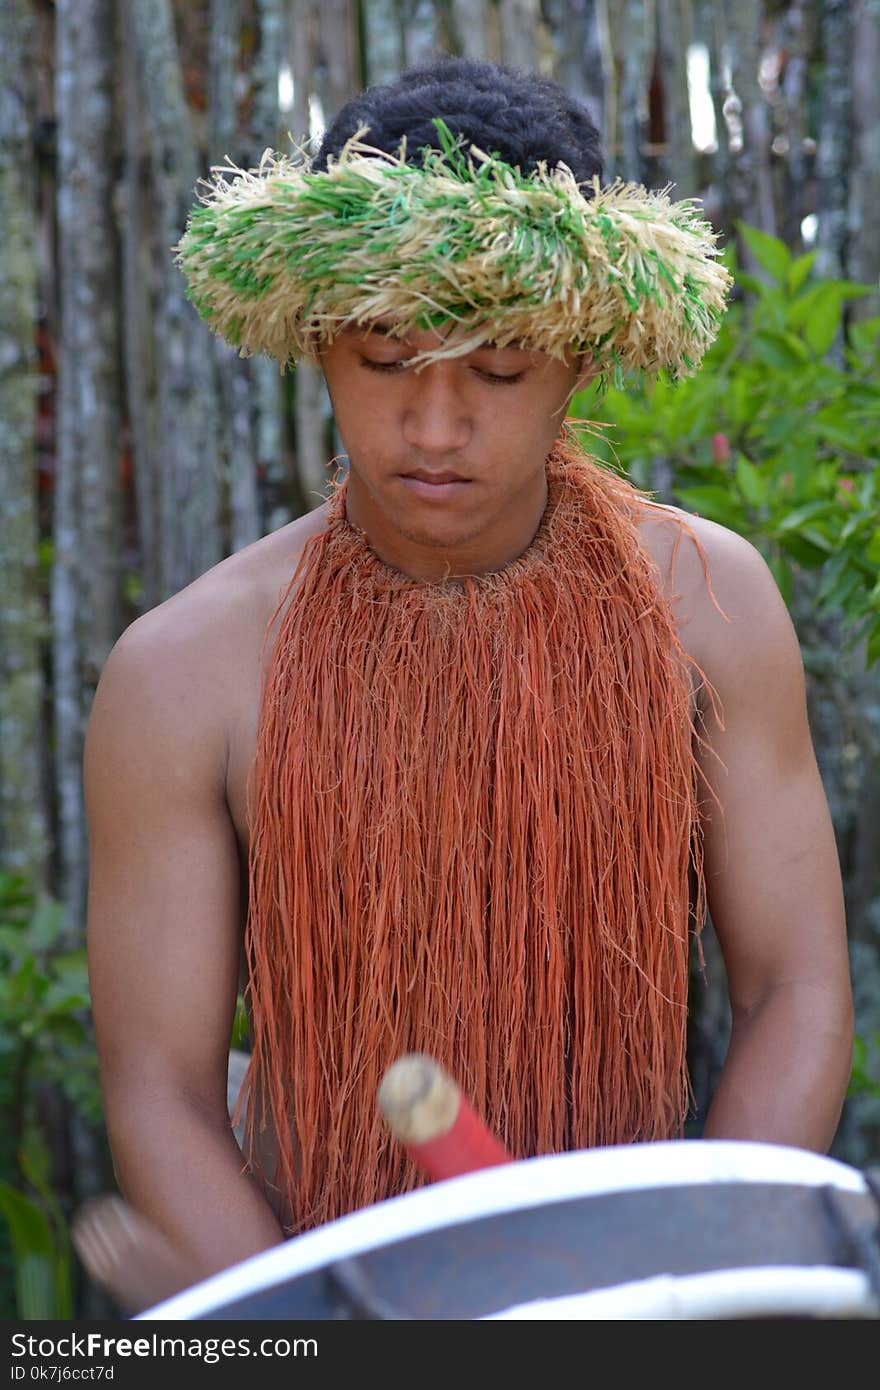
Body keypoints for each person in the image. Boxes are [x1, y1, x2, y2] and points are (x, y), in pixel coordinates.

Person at [75, 56, 854, 1312]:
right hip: (322, 1283)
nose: (433, 429)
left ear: (581, 355)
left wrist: (671, 1270)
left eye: (494, 373)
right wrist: (315, 1317)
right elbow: (161, 1092)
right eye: (386, 362)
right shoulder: (185, 674)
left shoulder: (707, 612)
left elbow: (795, 990)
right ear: (317, 338)